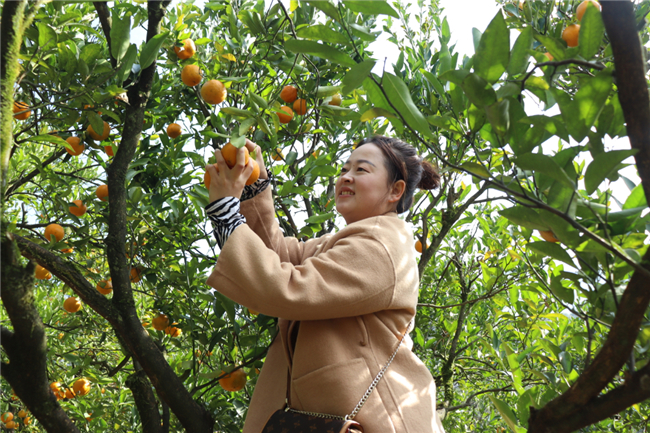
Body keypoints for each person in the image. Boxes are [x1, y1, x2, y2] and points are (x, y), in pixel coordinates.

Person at [204, 135, 445, 433]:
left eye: (361, 170)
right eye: (344, 169)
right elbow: (275, 255)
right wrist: (253, 186)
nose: (346, 177)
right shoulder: (338, 245)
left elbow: (288, 288)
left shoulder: (383, 245)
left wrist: (226, 212)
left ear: (395, 190)